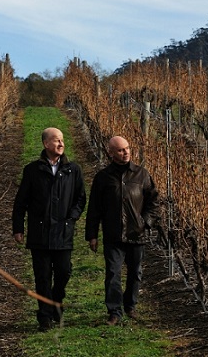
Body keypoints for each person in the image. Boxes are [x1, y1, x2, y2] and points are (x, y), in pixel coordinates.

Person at [12, 127, 86, 331]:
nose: (61, 144)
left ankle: (56, 299)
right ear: (46, 144)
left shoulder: (73, 170)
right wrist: (18, 227)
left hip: (63, 231)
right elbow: (21, 202)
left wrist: (72, 217)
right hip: (40, 233)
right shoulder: (32, 170)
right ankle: (44, 316)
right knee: (42, 276)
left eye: (62, 140)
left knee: (63, 272)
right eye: (56, 141)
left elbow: (80, 198)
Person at [85, 135, 160, 326]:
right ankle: (114, 311)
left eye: (127, 148)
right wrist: (92, 235)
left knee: (135, 272)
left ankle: (130, 306)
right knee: (113, 273)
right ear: (111, 153)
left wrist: (146, 222)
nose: (125, 152)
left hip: (137, 233)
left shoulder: (141, 174)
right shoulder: (103, 178)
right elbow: (94, 208)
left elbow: (154, 202)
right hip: (113, 234)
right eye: (120, 150)